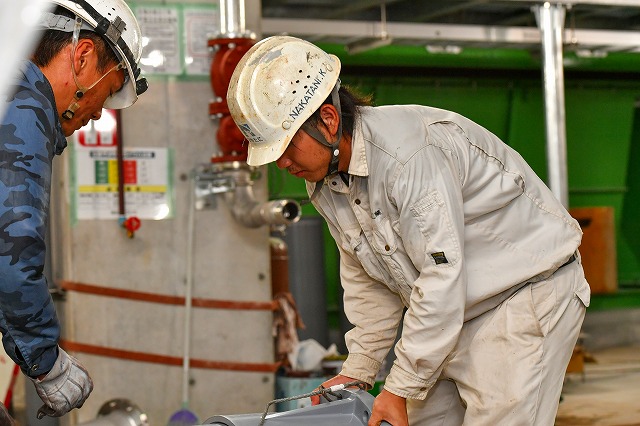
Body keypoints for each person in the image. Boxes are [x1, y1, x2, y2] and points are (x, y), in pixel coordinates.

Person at [227, 36, 591, 426]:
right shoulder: (325, 183)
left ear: (328, 121)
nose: (282, 164)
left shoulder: (409, 156)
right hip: (451, 309)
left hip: (521, 294)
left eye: (287, 147)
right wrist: (361, 368)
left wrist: (399, 387)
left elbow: (442, 274)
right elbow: (369, 280)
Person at [0, 0, 147, 419]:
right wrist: (47, 364)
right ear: (81, 56)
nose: (99, 110)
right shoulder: (21, 102)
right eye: (109, 85)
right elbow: (11, 246)